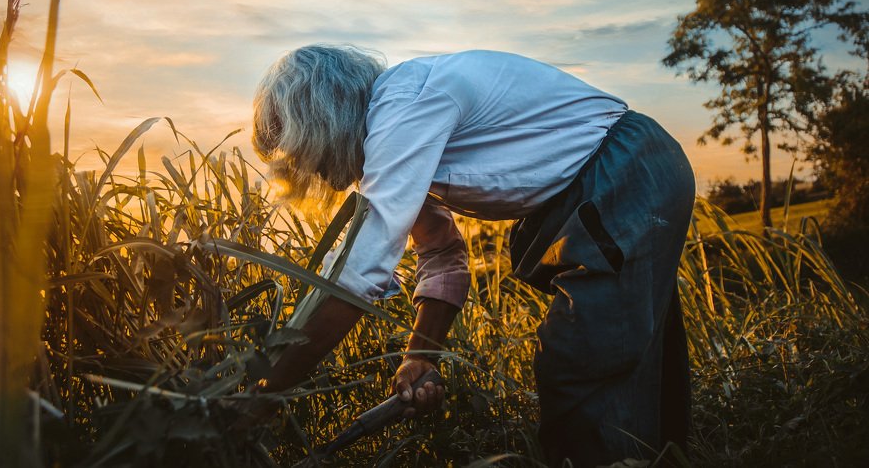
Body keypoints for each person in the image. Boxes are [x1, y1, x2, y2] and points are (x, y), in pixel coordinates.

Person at [251, 45, 695, 467]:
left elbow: (354, 277)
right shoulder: (404, 134)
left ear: (321, 119)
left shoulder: (405, 104)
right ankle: (668, 455)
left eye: (300, 151)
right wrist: (421, 357)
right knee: (632, 347)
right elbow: (443, 255)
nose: (314, 173)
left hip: (624, 173)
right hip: (626, 174)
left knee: (580, 360)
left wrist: (262, 397)